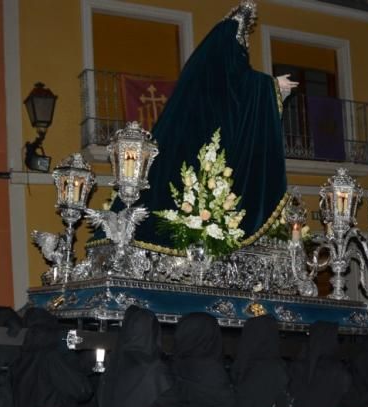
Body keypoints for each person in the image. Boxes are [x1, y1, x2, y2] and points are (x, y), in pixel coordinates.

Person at [117, 0, 293, 250]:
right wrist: (271, 85)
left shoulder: (211, 90)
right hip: (199, 163)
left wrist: (272, 91)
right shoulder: (212, 86)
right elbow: (237, 86)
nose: (241, 61)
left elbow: (238, 96)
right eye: (238, 53)